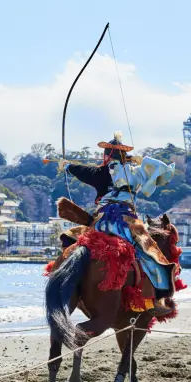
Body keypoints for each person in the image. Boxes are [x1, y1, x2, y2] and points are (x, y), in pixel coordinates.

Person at [60, 132, 177, 316]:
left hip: (100, 222)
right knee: (148, 251)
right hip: (126, 221)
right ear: (124, 156)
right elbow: (162, 170)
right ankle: (157, 298)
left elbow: (80, 170)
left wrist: (66, 165)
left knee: (73, 241)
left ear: (106, 155)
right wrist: (141, 160)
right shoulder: (135, 172)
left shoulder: (100, 172)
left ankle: (62, 282)